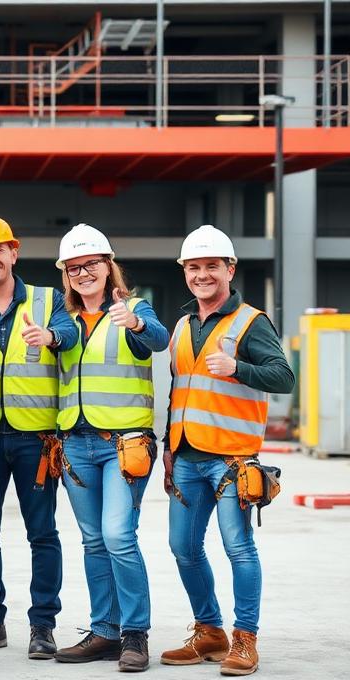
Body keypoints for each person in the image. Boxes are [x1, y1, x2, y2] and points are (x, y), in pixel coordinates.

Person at [161, 224, 294, 677]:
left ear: (229, 269)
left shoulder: (251, 322)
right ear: (184, 272)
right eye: (193, 267)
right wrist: (168, 447)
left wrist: (238, 368)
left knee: (239, 548)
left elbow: (283, 377)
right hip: (186, 457)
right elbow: (179, 391)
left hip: (231, 459)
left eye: (211, 266)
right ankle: (210, 632)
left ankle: (245, 640)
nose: (202, 275)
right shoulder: (181, 325)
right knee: (183, 547)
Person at [0, 214, 78, 659]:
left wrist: (49, 336)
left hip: (36, 437)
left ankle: (42, 625)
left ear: (14, 251)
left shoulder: (50, 300)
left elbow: (69, 332)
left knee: (42, 533)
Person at [50, 223, 169, 672]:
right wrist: (47, 339)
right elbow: (61, 340)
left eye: (91, 264)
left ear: (107, 266)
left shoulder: (135, 308)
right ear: (67, 274)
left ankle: (134, 634)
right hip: (76, 445)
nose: (83, 273)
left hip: (124, 444)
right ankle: (104, 631)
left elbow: (156, 339)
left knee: (119, 536)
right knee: (94, 540)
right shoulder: (65, 318)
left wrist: (134, 322)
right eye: (75, 268)